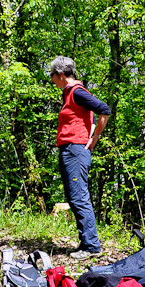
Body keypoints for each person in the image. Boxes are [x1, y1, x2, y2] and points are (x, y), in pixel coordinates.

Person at [49, 56, 111, 260]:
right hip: (70, 149)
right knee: (74, 197)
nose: (52, 80)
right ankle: (86, 243)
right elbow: (90, 117)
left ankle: (92, 246)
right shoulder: (70, 93)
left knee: (79, 197)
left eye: (52, 76)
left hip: (75, 150)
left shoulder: (77, 92)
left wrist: (94, 138)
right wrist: (90, 133)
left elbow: (104, 110)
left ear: (61, 75)